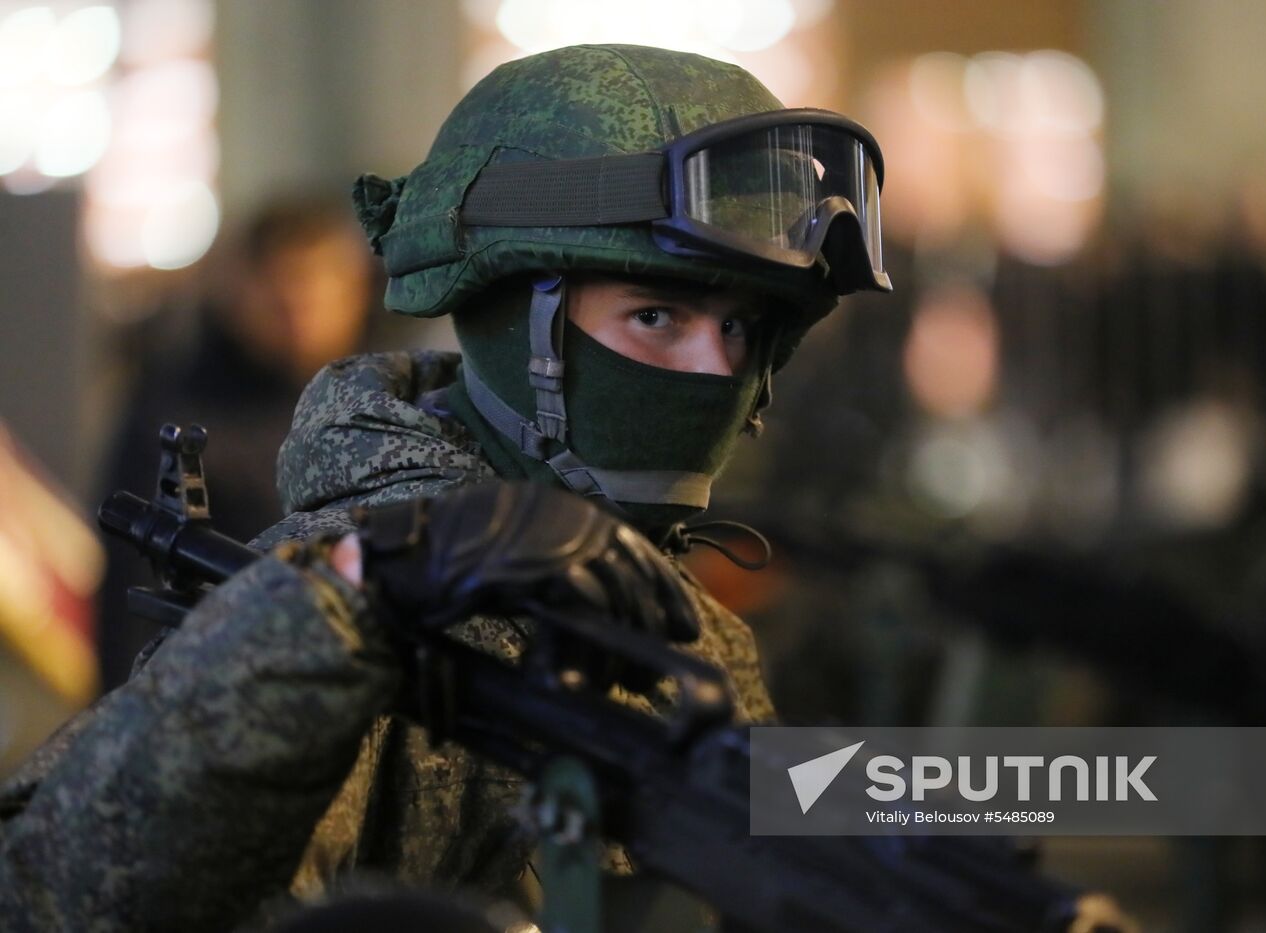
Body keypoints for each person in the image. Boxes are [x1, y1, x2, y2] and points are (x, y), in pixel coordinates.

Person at [0, 44, 891, 931]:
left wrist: (1003, 788)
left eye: (741, 324)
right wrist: (349, 600)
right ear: (516, 324)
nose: (716, 366)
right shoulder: (345, 622)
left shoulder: (684, 619)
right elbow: (51, 890)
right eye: (657, 315)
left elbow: (818, 814)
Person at [95, 197, 376, 690]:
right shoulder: (175, 410)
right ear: (237, 291)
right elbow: (130, 590)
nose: (300, 314)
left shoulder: (387, 403)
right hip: (218, 693)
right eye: (282, 290)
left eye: (320, 289)